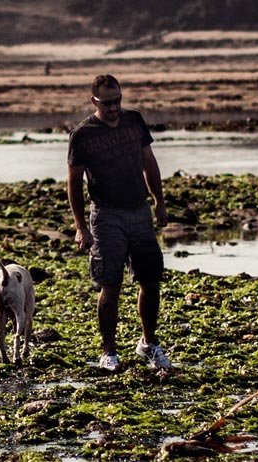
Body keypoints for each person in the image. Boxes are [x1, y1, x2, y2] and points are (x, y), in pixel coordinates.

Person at [67, 74, 173, 372]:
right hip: (106, 215)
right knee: (110, 285)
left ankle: (148, 343)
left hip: (139, 211)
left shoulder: (134, 121)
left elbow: (148, 162)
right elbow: (73, 182)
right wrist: (80, 227)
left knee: (150, 280)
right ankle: (109, 352)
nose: (113, 108)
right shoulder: (83, 134)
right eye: (106, 103)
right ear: (94, 101)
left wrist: (159, 202)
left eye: (117, 102)